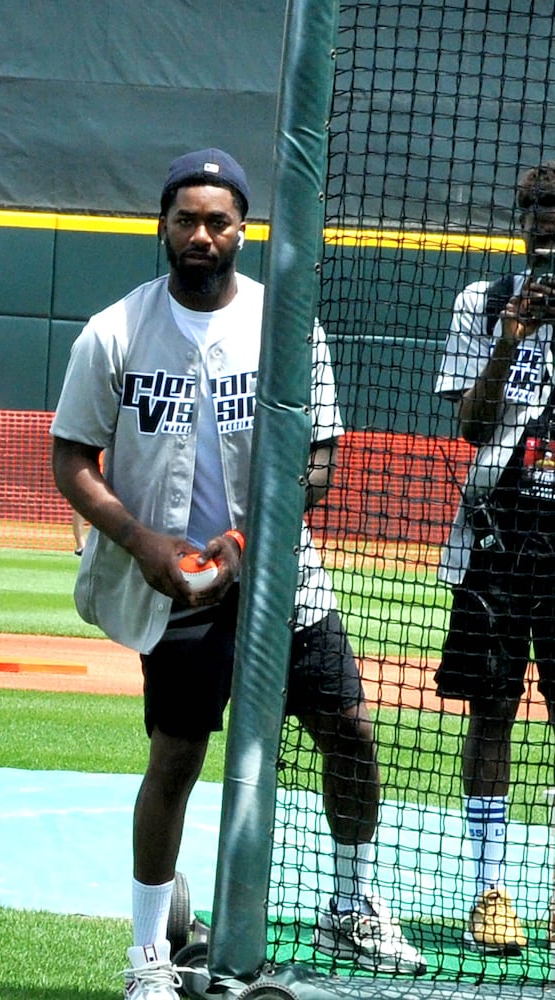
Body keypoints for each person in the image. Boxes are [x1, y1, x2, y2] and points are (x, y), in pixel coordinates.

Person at [50, 148, 426, 998]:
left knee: (351, 730)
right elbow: (72, 455)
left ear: (243, 231)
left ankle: (349, 901)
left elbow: (321, 455)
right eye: (185, 219)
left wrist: (251, 541)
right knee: (176, 758)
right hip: (173, 583)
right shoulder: (115, 330)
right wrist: (142, 543)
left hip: (282, 574)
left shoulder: (282, 323)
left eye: (217, 220)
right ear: (162, 226)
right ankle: (148, 957)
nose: (200, 234)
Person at [433, 158, 555, 957]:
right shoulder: (483, 302)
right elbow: (472, 429)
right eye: (534, 208)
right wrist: (511, 338)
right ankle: (490, 891)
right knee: (492, 711)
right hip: (498, 538)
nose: (545, 220)